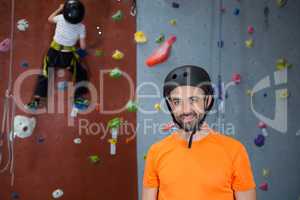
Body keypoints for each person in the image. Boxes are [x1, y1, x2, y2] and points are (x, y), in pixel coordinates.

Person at [142, 65, 256, 200]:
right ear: (171, 105)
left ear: (207, 100)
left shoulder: (234, 151)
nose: (185, 110)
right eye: (177, 101)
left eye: (193, 100)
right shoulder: (156, 152)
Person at [26, 0, 89, 110]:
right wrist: (81, 53)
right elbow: (83, 46)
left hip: (53, 53)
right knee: (81, 72)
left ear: (64, 12)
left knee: (45, 74)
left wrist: (59, 9)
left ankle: (36, 100)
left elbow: (49, 19)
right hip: (68, 58)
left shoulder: (60, 18)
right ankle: (78, 97)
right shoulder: (81, 27)